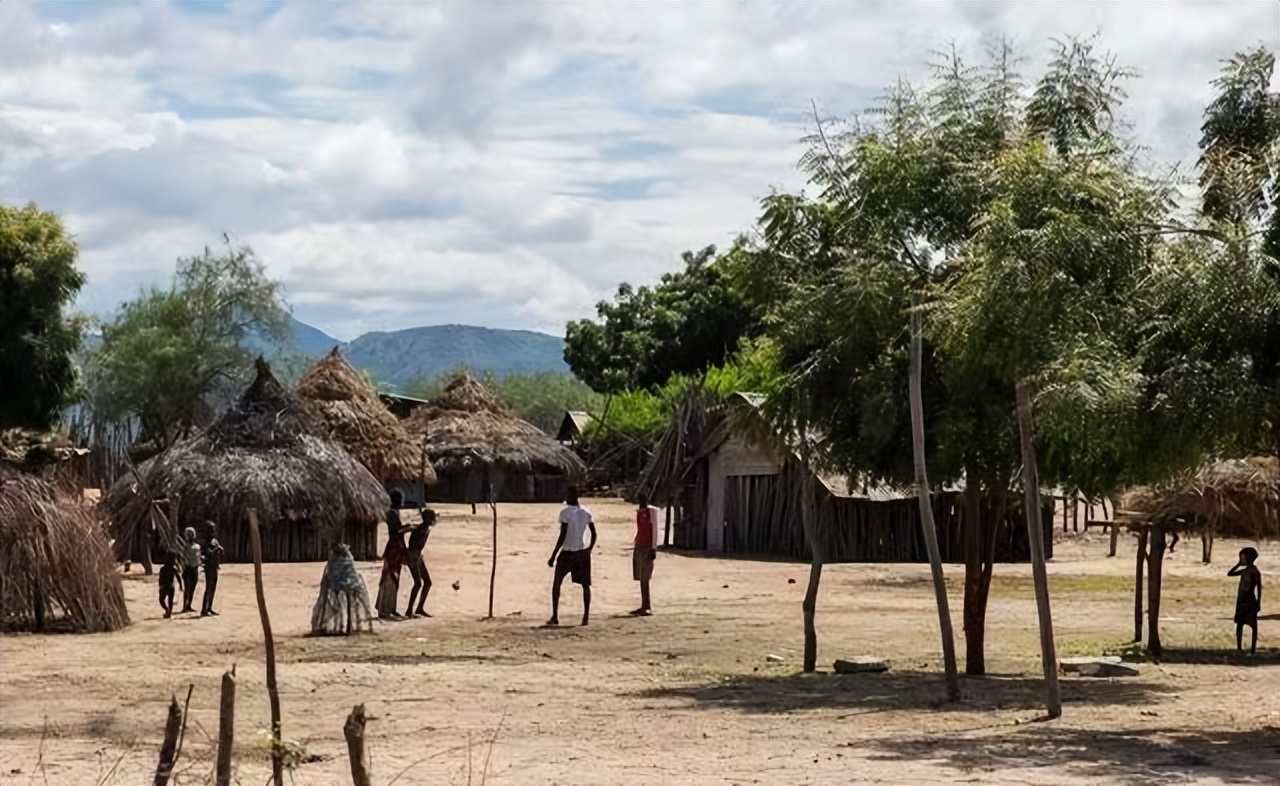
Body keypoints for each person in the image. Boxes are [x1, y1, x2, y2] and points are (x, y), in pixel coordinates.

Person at [547, 486, 597, 627]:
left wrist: (553, 555)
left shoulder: (565, 513)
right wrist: (589, 549)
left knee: (557, 584)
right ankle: (585, 617)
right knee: (585, 585)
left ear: (571, 496)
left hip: (568, 552)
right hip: (582, 552)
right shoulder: (586, 512)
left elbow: (562, 535)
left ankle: (555, 616)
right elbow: (594, 533)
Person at [375, 489, 411, 619]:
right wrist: (408, 528)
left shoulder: (394, 513)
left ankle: (391, 607)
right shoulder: (392, 514)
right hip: (394, 548)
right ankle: (385, 608)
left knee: (394, 578)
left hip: (396, 548)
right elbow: (396, 531)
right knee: (390, 577)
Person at [1228, 547, 1262, 654]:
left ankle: (1253, 648)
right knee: (1240, 623)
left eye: (1243, 558)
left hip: (1249, 598)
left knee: (1253, 625)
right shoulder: (1245, 570)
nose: (1242, 560)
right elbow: (1230, 573)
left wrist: (1258, 602)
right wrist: (1238, 564)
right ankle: (1239, 646)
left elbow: (1259, 588)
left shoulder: (1254, 571)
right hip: (1241, 598)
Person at [630, 496, 660, 616]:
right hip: (640, 544)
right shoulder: (640, 512)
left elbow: (655, 529)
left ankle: (647, 605)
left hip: (648, 545)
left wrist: (653, 547)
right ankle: (643, 604)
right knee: (640, 576)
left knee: (645, 576)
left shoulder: (651, 512)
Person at [405, 507, 436, 618]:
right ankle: (410, 609)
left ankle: (419, 608)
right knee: (418, 583)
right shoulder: (421, 529)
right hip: (414, 557)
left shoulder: (422, 528)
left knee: (427, 582)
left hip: (417, 556)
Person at [201, 521, 225, 617]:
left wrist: (220, 550)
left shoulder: (214, 541)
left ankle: (209, 607)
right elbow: (207, 553)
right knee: (208, 587)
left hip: (214, 566)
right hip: (209, 567)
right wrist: (216, 550)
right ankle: (204, 609)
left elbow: (220, 551)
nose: (213, 531)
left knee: (213, 587)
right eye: (211, 529)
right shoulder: (206, 542)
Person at [179, 526, 201, 614]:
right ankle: (185, 605)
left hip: (195, 568)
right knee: (187, 588)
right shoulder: (184, 546)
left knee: (192, 588)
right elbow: (182, 557)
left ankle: (189, 605)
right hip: (187, 568)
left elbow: (198, 557)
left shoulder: (197, 546)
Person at [158, 551, 182, 619]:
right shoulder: (172, 569)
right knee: (168, 601)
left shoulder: (164, 569)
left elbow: (160, 578)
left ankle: (168, 611)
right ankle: (168, 611)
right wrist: (180, 585)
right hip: (170, 586)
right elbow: (178, 578)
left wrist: (160, 586)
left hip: (167, 586)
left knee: (162, 600)